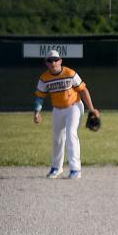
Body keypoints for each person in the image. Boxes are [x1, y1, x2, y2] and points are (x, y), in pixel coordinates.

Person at [33, 49, 100, 180]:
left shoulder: (70, 73)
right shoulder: (44, 78)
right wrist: (37, 112)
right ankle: (56, 168)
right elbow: (40, 96)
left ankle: (75, 169)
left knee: (71, 134)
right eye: (50, 61)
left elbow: (83, 89)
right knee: (57, 138)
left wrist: (91, 109)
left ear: (60, 61)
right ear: (46, 63)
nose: (53, 63)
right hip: (57, 110)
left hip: (74, 107)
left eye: (55, 60)